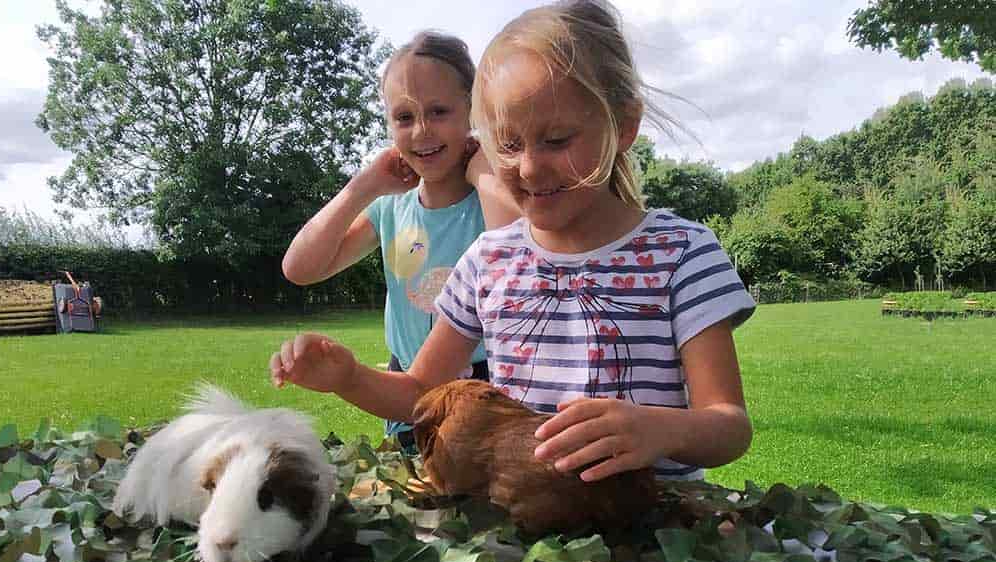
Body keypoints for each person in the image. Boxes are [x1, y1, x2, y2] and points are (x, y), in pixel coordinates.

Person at [272, 0, 755, 482]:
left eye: (557, 140)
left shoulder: (682, 253)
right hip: (529, 535)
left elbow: (729, 426)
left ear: (623, 126)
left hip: (660, 539)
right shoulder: (488, 260)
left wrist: (660, 431)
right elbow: (421, 389)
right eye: (508, 144)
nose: (528, 167)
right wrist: (348, 378)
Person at [281, 31, 518, 453]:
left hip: (482, 389)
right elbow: (300, 268)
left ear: (473, 110)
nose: (422, 131)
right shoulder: (392, 209)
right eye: (404, 118)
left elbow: (520, 251)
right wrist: (363, 187)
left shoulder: (490, 201)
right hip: (401, 386)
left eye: (439, 111)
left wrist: (484, 168)